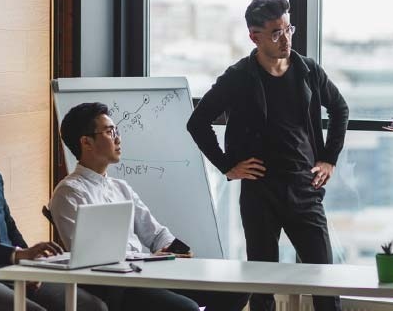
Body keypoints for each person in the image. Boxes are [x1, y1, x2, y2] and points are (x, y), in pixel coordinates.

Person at [187, 0, 349, 311]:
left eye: (288, 29)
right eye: (276, 33)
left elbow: (340, 108)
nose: (286, 38)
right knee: (262, 287)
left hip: (305, 188)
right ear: (254, 36)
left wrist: (329, 158)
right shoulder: (238, 77)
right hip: (260, 191)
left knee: (325, 283)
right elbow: (197, 121)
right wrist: (227, 166)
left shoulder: (307, 70)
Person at [49, 102, 249, 311]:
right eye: (109, 132)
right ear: (86, 142)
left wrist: (173, 250)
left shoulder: (120, 187)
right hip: (117, 286)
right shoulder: (69, 192)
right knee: (185, 308)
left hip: (147, 273)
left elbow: (155, 234)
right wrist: (149, 258)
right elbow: (89, 258)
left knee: (236, 290)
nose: (118, 138)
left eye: (116, 130)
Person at [0, 83, 107, 311]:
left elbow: (8, 226)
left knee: (91, 306)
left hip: (10, 268)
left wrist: (31, 262)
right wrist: (15, 256)